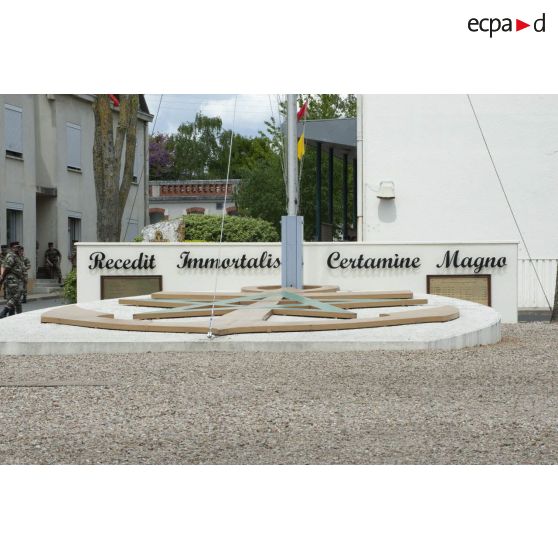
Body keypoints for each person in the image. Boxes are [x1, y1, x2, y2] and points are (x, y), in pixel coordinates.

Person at [0, 243, 25, 318]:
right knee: (17, 294)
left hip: (16, 278)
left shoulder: (17, 256)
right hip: (12, 278)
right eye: (15, 247)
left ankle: (15, 315)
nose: (17, 248)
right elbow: (7, 268)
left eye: (18, 247)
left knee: (12, 298)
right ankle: (5, 310)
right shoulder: (11, 255)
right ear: (11, 248)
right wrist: (2, 278)